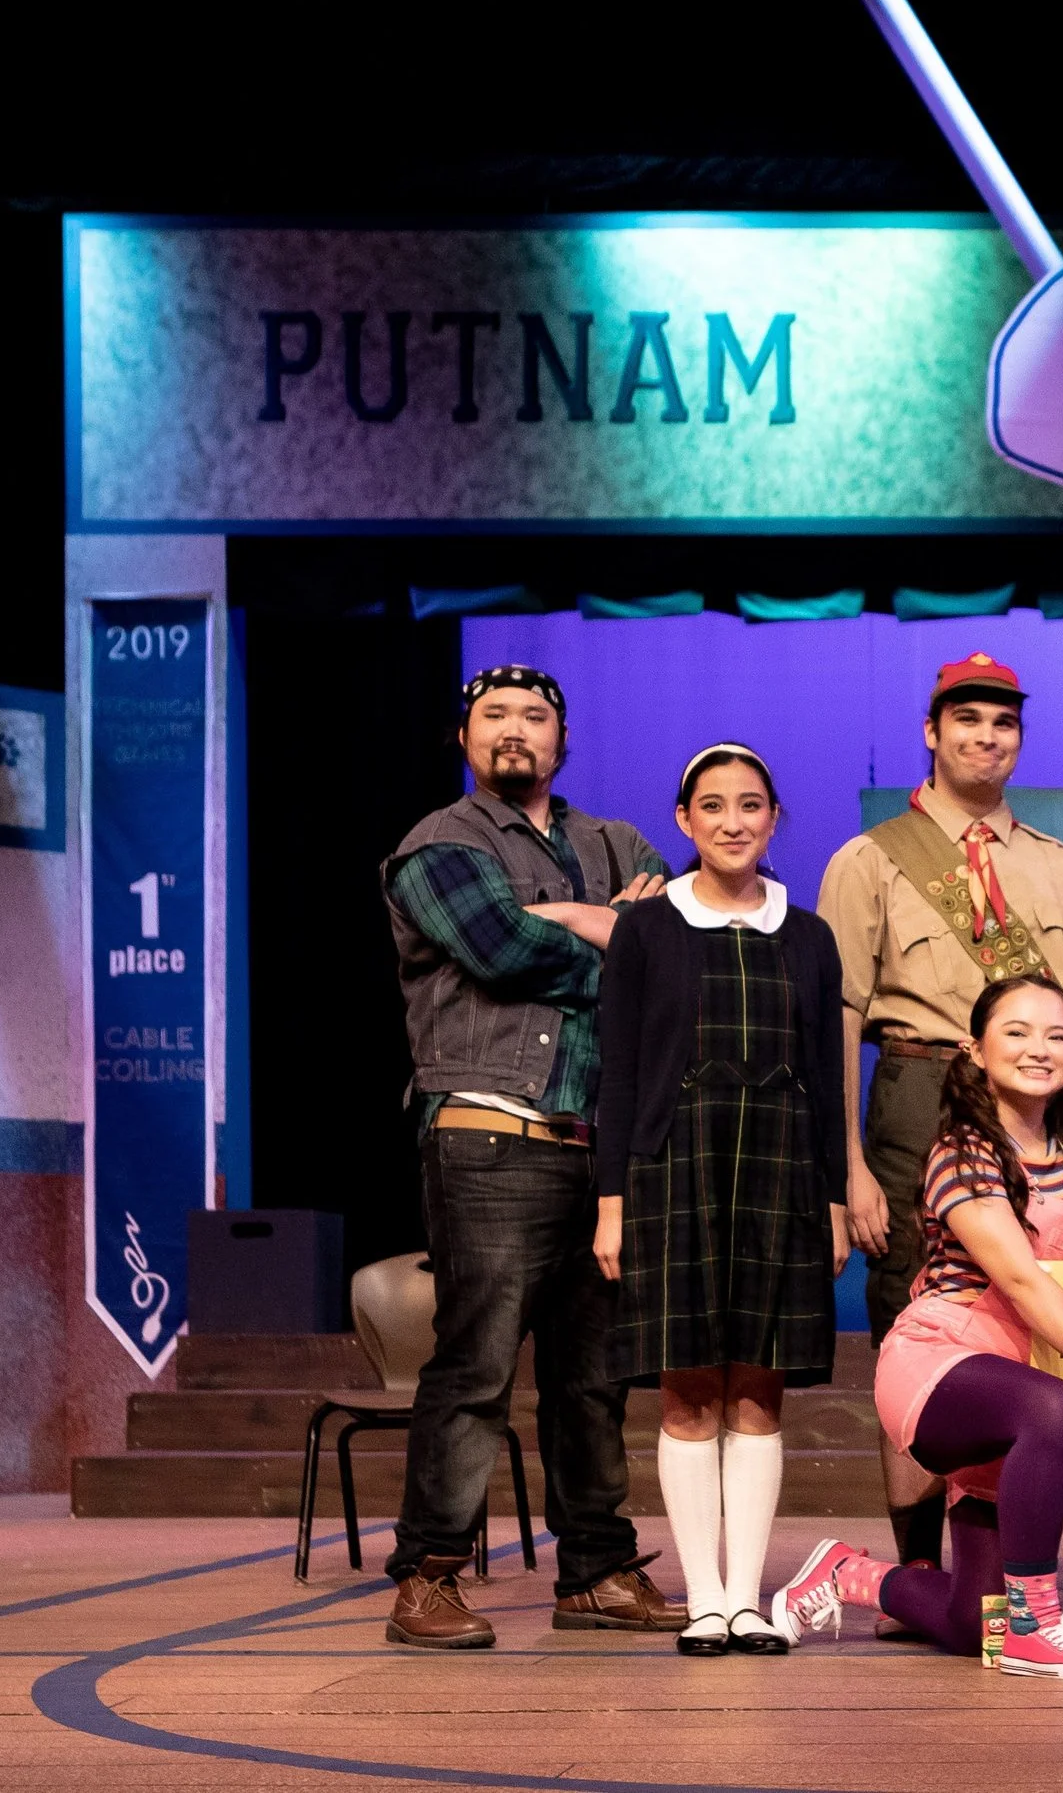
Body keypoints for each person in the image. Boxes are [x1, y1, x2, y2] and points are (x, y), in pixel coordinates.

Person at [377, 664, 685, 1649]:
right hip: (489, 1135)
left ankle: (594, 1570)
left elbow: (673, 959)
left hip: (601, 1151)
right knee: (475, 1367)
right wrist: (602, 924)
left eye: (535, 715)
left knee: (593, 1376)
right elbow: (500, 953)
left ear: (562, 738)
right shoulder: (439, 842)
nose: (515, 729)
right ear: (464, 736)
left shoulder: (618, 842)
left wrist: (569, 923)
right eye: (495, 714)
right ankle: (428, 1576)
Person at [816, 652, 1063, 1594]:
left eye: (1003, 722)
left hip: (1042, 1109)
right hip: (916, 1093)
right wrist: (848, 1167)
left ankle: (991, 1562)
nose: (987, 737)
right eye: (967, 719)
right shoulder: (870, 860)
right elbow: (838, 1019)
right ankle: (915, 1565)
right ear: (931, 731)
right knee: (917, 1312)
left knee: (1028, 1318)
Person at [770, 977, 1063, 1679]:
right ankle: (1035, 1625)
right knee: (1053, 1406)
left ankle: (847, 1573)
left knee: (970, 1622)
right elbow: (1020, 1278)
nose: (1038, 1049)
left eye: (1056, 1035)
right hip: (942, 1363)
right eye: (1017, 1032)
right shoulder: (964, 1151)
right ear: (975, 1050)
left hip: (1015, 1385)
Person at [594, 744, 849, 1656]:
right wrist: (612, 1201)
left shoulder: (809, 936)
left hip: (782, 1172)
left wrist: (832, 1199)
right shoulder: (646, 929)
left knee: (760, 1392)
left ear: (773, 818)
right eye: (713, 805)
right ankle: (703, 1599)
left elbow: (827, 1077)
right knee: (688, 1390)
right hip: (675, 1168)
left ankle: (747, 1598)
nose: (732, 822)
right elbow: (618, 1071)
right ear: (684, 820)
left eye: (750, 805)